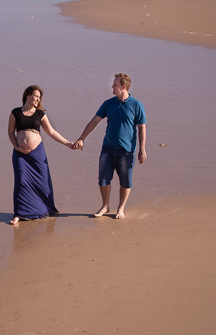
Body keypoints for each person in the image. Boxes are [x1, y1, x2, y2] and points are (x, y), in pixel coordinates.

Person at [73, 73, 147, 219]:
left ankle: (121, 208)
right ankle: (105, 206)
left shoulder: (136, 105)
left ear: (123, 87)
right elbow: (94, 121)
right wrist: (82, 138)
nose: (112, 87)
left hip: (126, 151)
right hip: (107, 148)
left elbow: (142, 128)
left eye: (115, 85)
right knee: (103, 180)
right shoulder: (108, 103)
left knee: (125, 181)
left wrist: (142, 149)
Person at [8, 85, 74, 226]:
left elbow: (51, 132)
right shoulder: (15, 112)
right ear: (28, 96)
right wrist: (16, 147)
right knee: (21, 182)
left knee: (43, 182)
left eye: (39, 97)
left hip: (37, 153)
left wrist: (67, 143)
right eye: (35, 96)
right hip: (20, 154)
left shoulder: (40, 115)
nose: (37, 99)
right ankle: (19, 214)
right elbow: (10, 132)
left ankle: (45, 208)